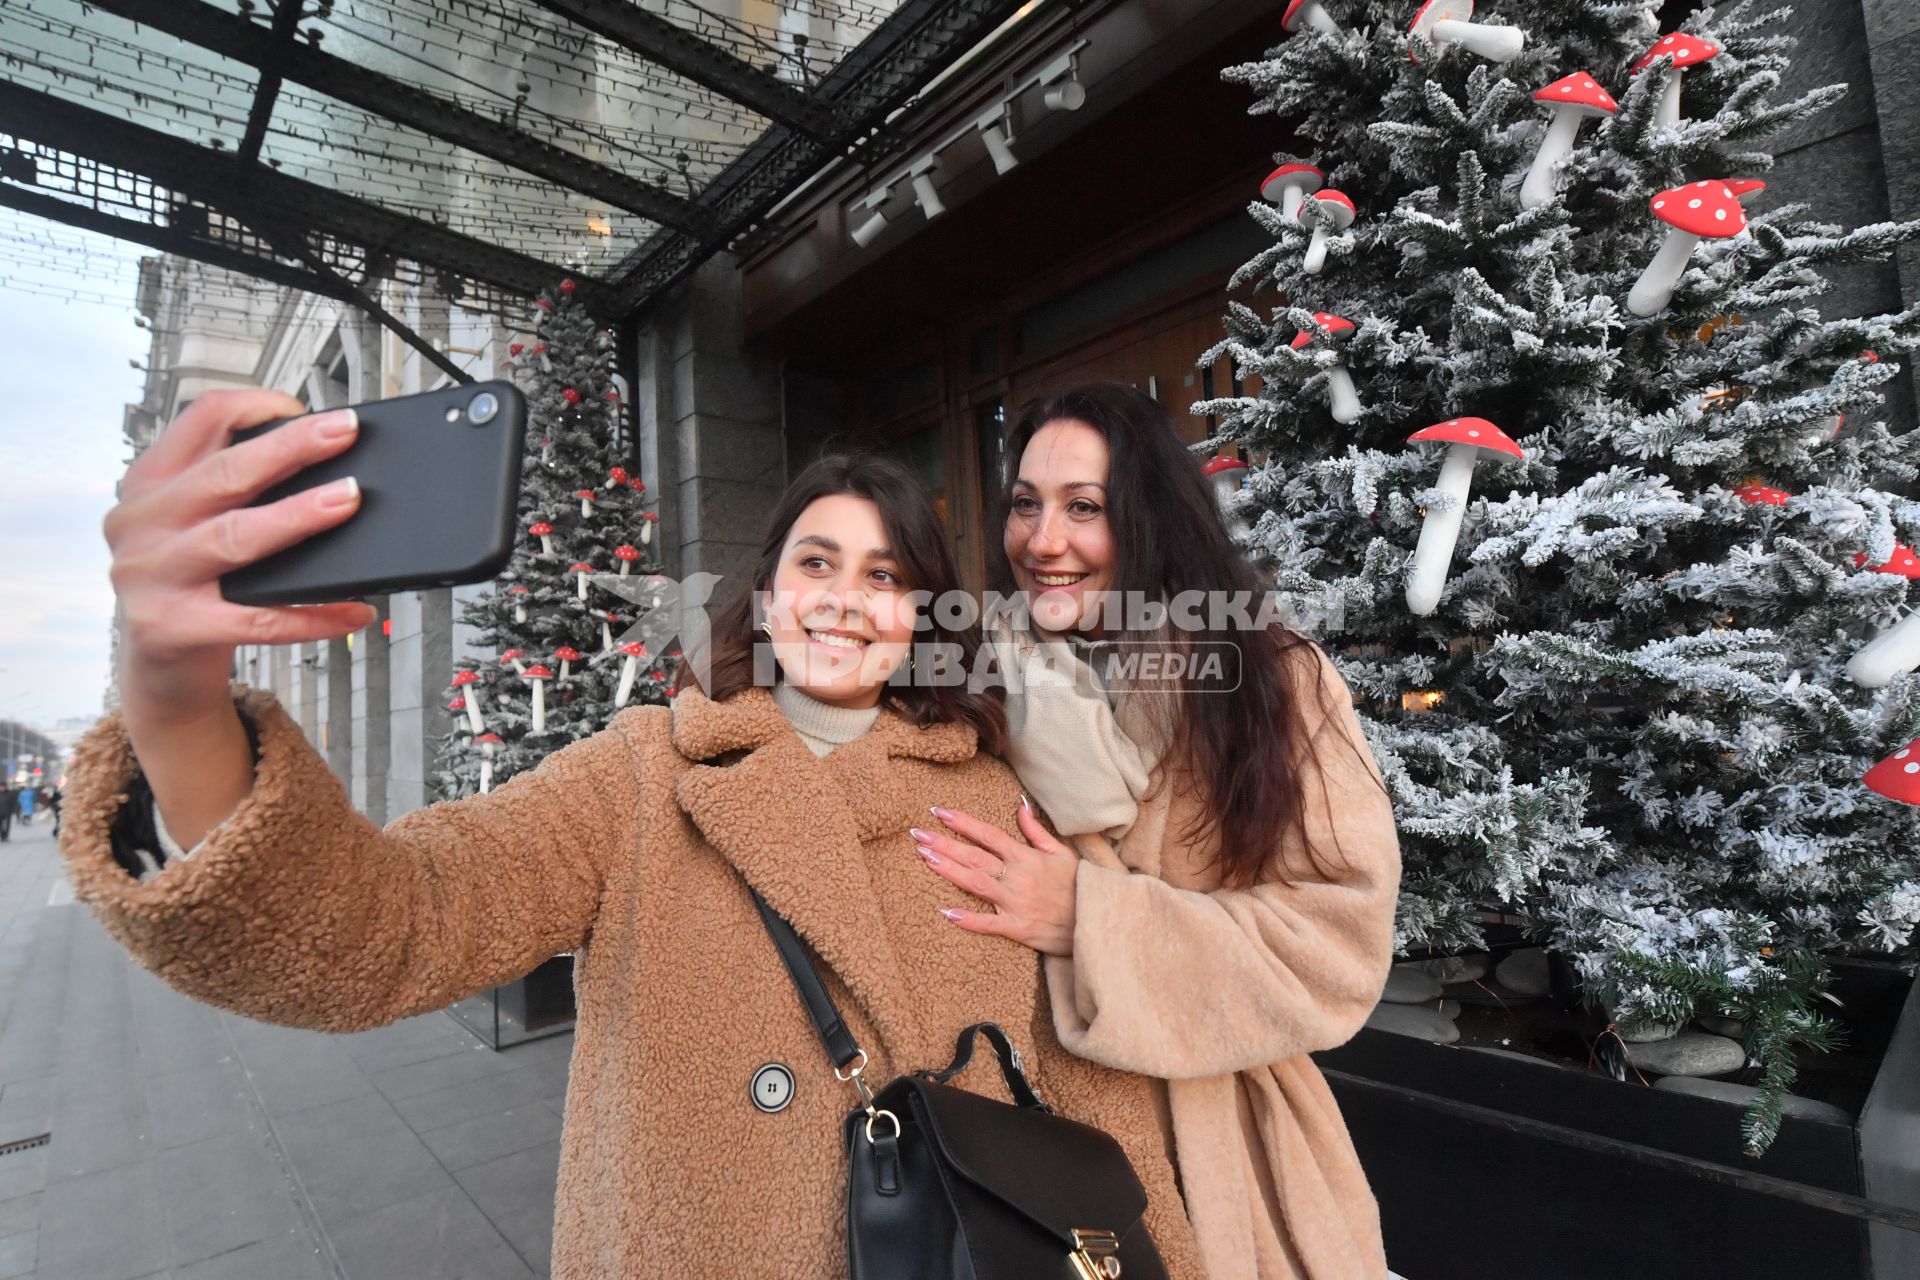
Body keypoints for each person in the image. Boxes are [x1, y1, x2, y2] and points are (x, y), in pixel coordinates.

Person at [61, 389, 1203, 1279]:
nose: (848, 597)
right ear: (765, 595)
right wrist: (174, 704)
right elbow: (394, 920)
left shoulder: (995, 793)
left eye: (886, 575)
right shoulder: (642, 776)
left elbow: (1087, 1101)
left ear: (919, 618)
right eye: (817, 562)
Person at [913, 382, 1403, 1280]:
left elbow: (1338, 943)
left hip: (1224, 1158)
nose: (1042, 541)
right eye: (1025, 504)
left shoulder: (1268, 680)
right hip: (1030, 1141)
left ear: (1149, 517)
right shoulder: (977, 676)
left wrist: (1091, 921)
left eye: (1084, 508)